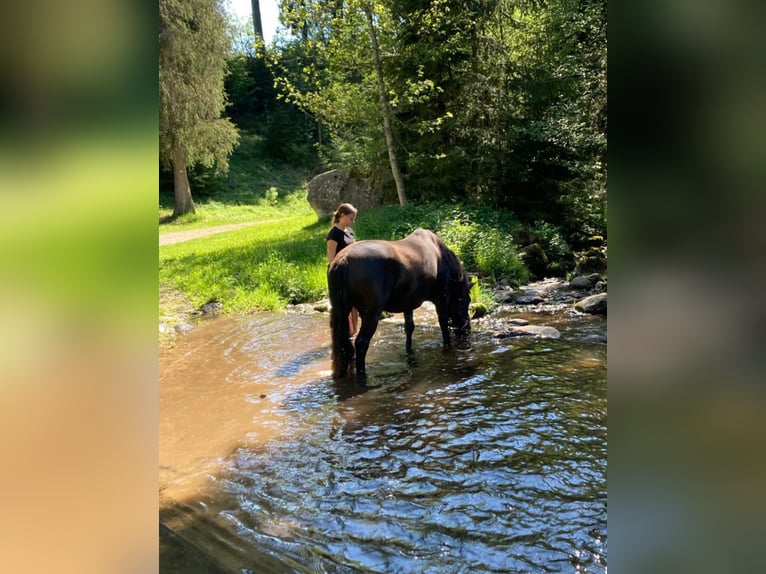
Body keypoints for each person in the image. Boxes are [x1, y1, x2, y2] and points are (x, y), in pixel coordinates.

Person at [326, 203, 359, 336]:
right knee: (344, 305)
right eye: (351, 218)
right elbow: (332, 259)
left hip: (352, 273)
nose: (353, 221)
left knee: (355, 304)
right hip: (339, 274)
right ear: (342, 215)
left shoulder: (350, 232)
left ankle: (354, 332)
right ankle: (345, 333)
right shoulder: (333, 235)